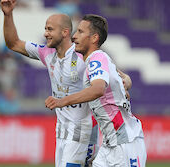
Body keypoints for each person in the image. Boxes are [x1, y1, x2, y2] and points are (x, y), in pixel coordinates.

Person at [0, 1, 131, 166]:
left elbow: (113, 74)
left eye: (50, 29)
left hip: (82, 131)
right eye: (46, 29)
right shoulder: (46, 53)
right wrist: (8, 14)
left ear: (65, 32)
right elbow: (13, 43)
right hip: (62, 132)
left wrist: (125, 80)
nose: (45, 33)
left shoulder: (83, 55)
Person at [45, 14, 147, 167]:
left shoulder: (96, 58)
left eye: (80, 32)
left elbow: (98, 89)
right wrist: (126, 81)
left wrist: (61, 101)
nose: (74, 36)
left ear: (94, 38)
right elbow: (122, 79)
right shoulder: (96, 61)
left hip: (126, 143)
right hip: (109, 144)